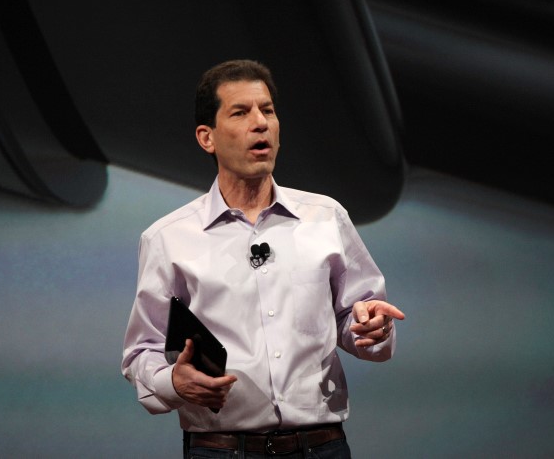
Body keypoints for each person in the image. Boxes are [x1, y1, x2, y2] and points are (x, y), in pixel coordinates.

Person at [121, 59, 405, 458]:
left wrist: (371, 328)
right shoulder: (168, 238)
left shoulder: (326, 217)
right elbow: (141, 352)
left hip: (320, 446)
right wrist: (174, 382)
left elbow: (357, 320)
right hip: (220, 449)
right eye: (241, 112)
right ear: (207, 137)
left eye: (267, 110)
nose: (261, 123)